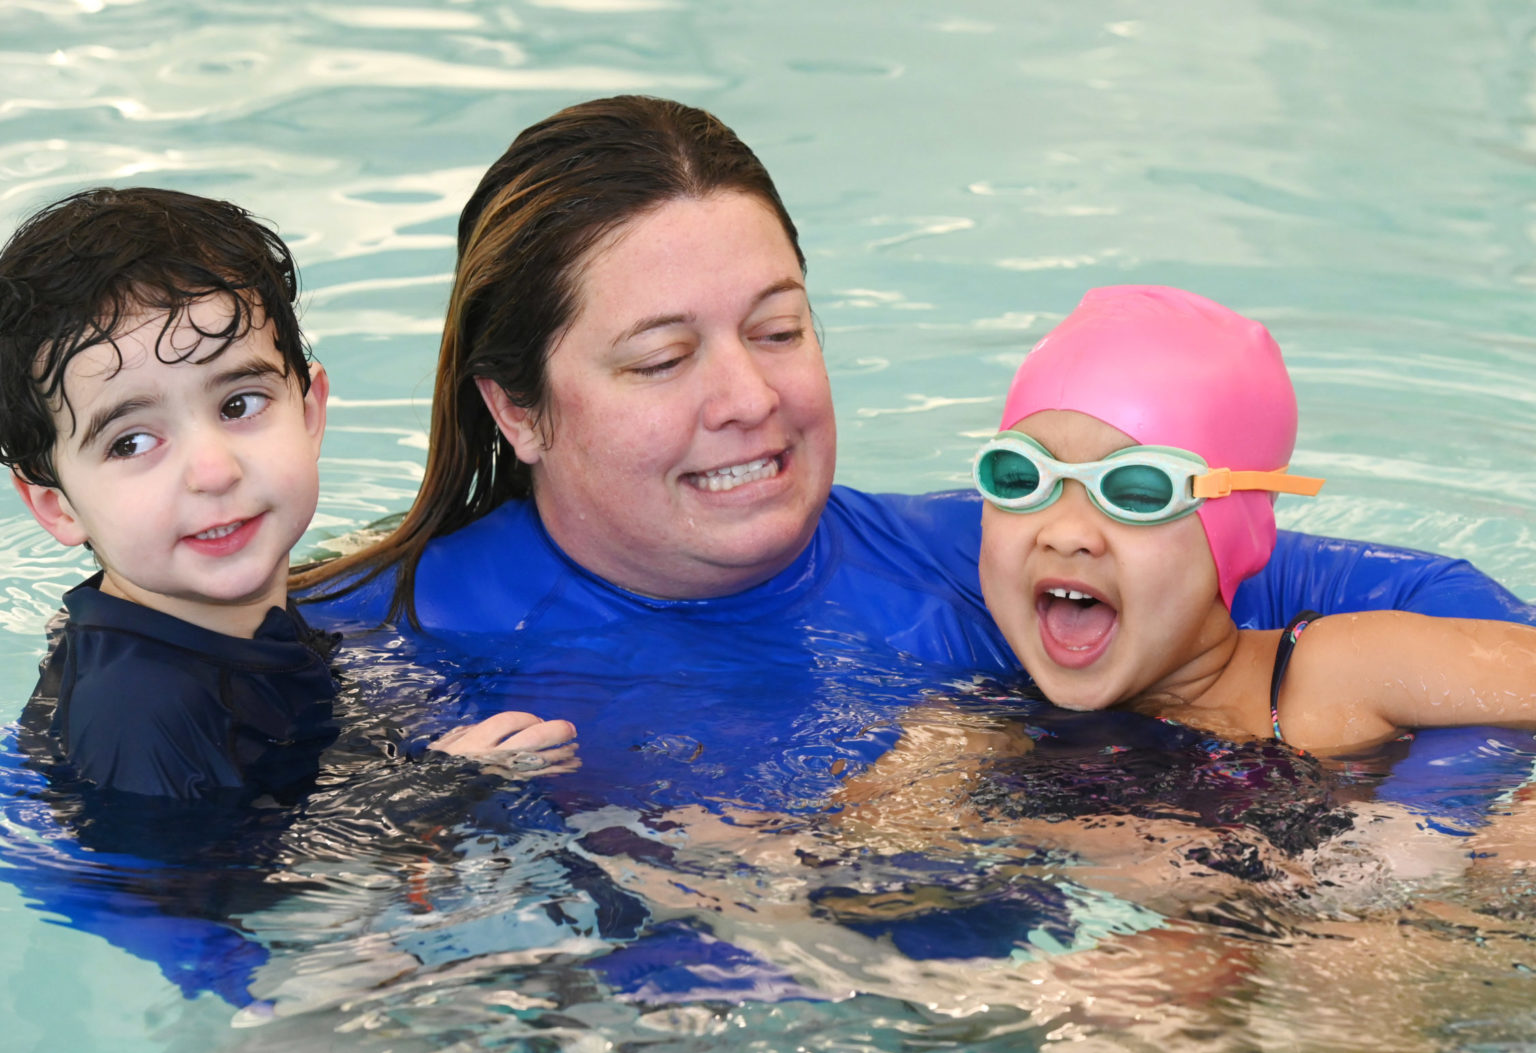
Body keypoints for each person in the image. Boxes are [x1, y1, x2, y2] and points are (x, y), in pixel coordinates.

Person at [300, 94, 1534, 814]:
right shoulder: (361, 637)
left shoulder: (994, 553)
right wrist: (409, 812)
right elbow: (173, 872)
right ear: (517, 410)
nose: (750, 399)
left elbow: (1450, 620)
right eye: (663, 359)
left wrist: (1419, 835)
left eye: (779, 330)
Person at [0, 186, 571, 802]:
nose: (213, 472)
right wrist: (430, 793)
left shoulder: (224, 626)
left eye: (238, 404)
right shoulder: (140, 717)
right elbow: (212, 894)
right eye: (132, 443)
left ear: (309, 413)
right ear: (55, 506)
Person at [975, 284, 1536, 749]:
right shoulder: (973, 728)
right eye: (1021, 477)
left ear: (1236, 532)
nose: (1066, 532)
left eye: (1139, 492)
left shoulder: (1332, 674)